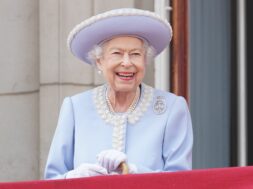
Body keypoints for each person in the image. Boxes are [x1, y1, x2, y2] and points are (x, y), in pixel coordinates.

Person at [44, 8, 193, 179]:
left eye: (136, 54)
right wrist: (74, 178)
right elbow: (52, 179)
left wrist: (135, 171)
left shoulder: (172, 108)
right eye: (117, 53)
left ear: (145, 61)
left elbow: (181, 180)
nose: (127, 63)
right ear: (99, 61)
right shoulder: (75, 108)